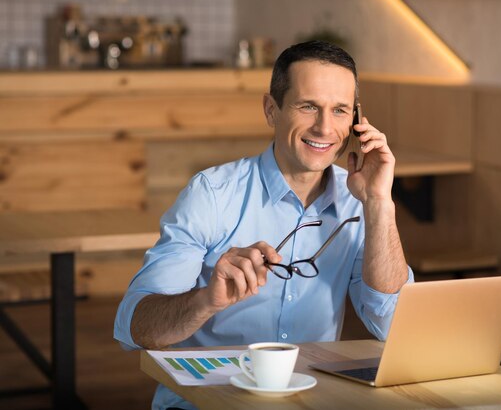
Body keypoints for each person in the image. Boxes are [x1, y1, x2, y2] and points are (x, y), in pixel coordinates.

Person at [114, 40, 413, 410]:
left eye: (339, 111)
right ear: (272, 110)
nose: (324, 128)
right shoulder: (212, 194)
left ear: (356, 121)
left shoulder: (360, 200)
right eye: (308, 106)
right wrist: (205, 301)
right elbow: (135, 327)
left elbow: (393, 326)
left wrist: (380, 202)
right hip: (206, 402)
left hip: (307, 401)